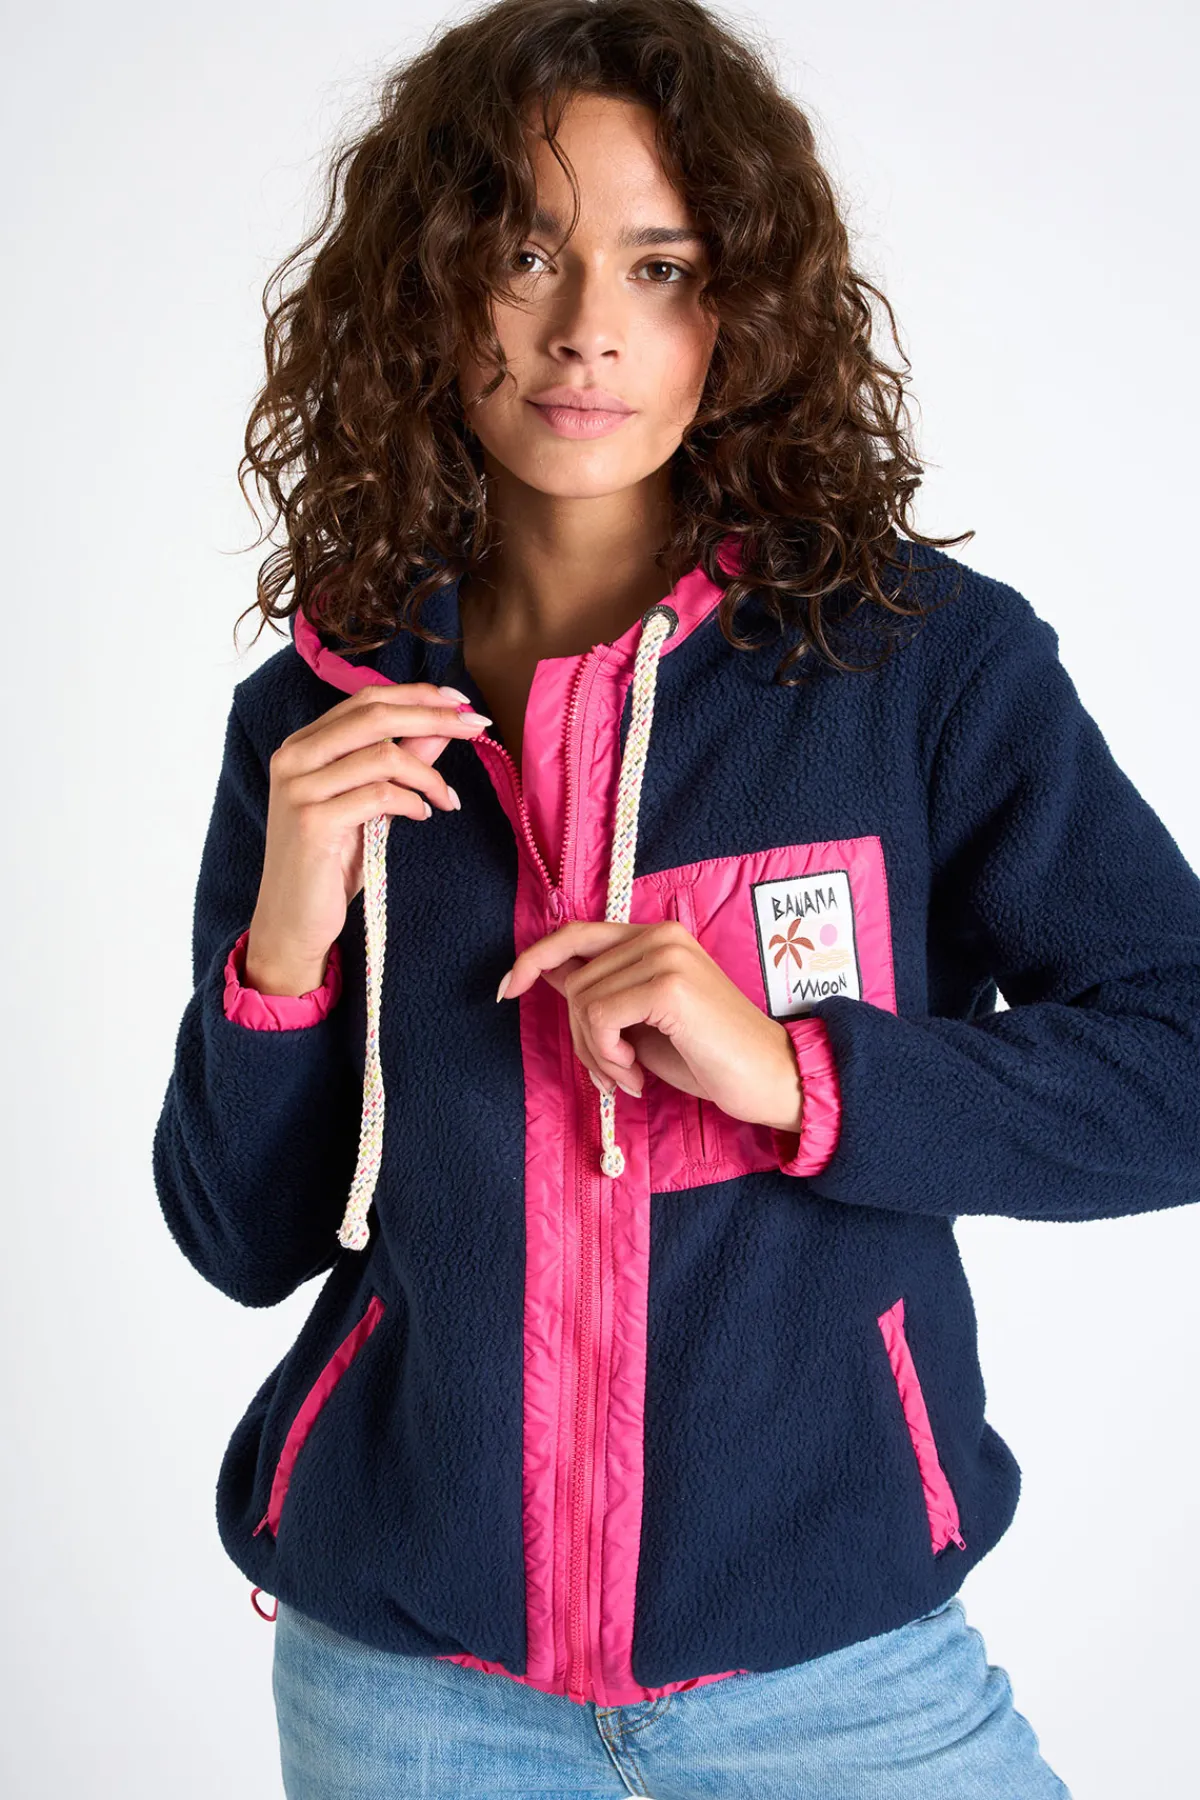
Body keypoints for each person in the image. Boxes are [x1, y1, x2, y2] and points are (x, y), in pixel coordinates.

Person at [152, 1, 1199, 1792]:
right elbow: (244, 1241)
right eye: (525, 253)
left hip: (839, 1680)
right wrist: (287, 942)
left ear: (747, 309)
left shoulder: (913, 669)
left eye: (662, 266)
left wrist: (800, 1074)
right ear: (430, 289)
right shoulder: (318, 719)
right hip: (409, 1698)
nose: (587, 329)